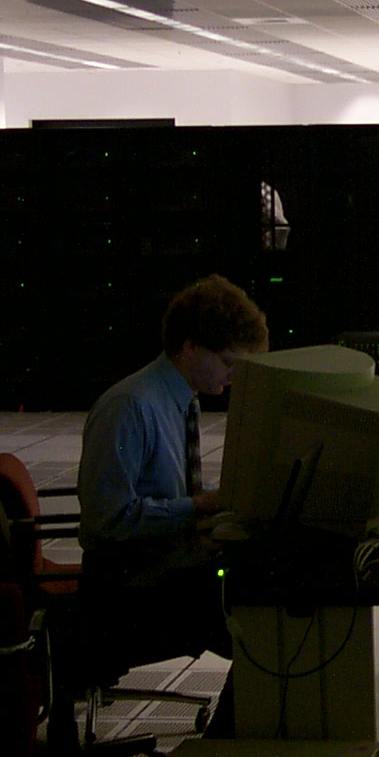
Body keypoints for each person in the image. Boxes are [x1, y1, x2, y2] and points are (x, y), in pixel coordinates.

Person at [76, 275, 268, 710]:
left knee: (263, 597)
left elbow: (166, 495)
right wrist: (197, 507)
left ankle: (239, 734)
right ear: (188, 347)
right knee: (260, 623)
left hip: (161, 564)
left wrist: (221, 506)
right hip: (127, 585)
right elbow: (107, 520)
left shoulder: (179, 399)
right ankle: (230, 739)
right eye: (228, 362)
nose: (234, 375)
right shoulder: (130, 407)